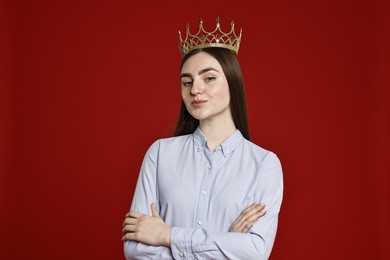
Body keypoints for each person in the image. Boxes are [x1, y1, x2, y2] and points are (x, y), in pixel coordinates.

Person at [122, 18, 283, 259]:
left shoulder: (264, 164)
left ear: (232, 80)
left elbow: (255, 252)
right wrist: (226, 242)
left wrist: (167, 235)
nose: (195, 89)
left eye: (208, 78)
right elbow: (136, 249)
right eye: (187, 82)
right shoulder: (160, 154)